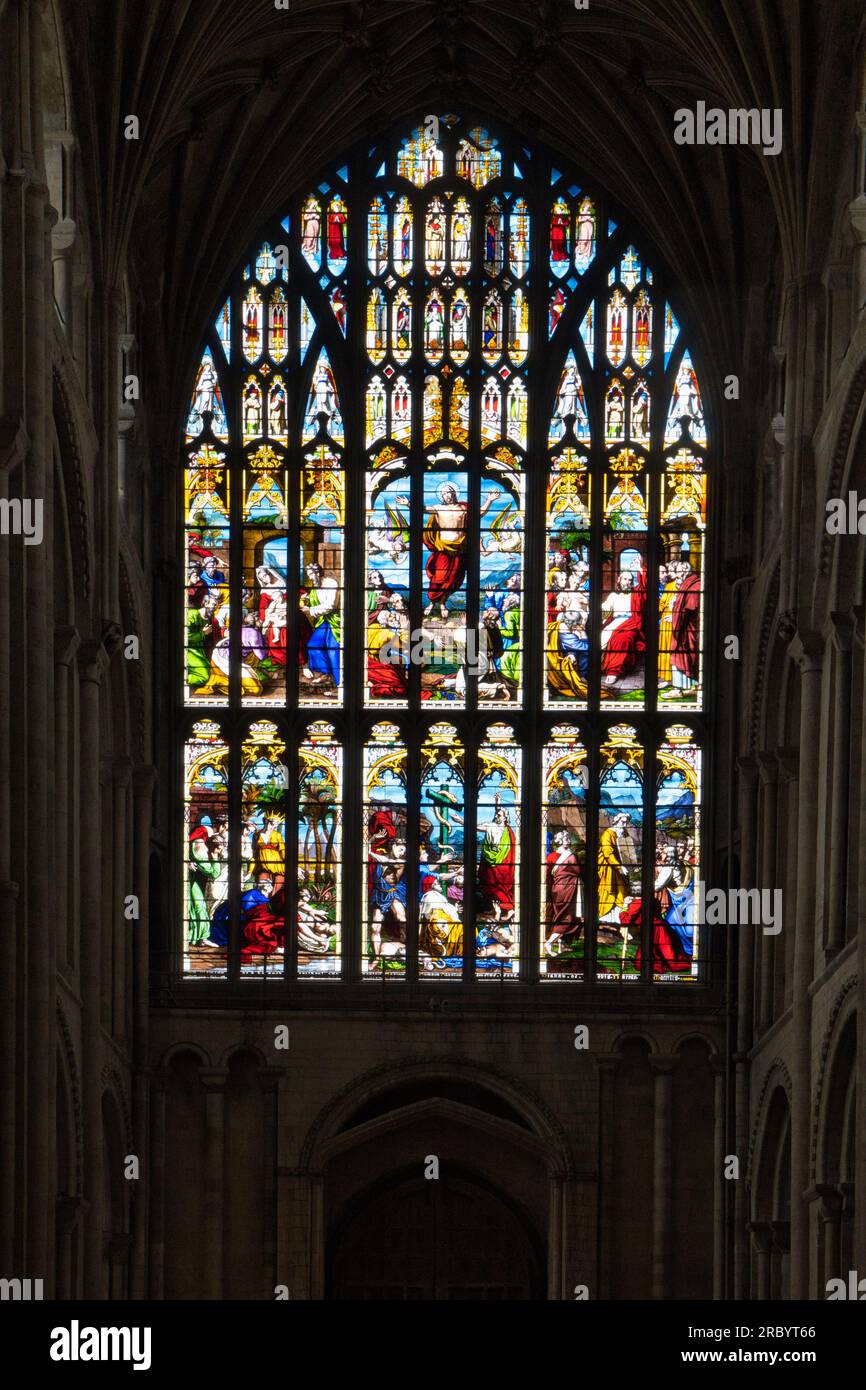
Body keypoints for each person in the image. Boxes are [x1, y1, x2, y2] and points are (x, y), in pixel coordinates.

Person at [301, 562, 341, 688]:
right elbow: (316, 600)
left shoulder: (330, 583)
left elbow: (330, 605)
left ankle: (340, 684)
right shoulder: (316, 586)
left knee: (334, 652)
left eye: (311, 575)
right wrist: (307, 599)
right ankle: (326, 674)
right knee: (313, 645)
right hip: (323, 621)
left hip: (335, 621)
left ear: (317, 572)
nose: (311, 578)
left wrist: (310, 610)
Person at [544, 830, 583, 955]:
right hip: (565, 889)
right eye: (566, 839)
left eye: (569, 838)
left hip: (560, 888)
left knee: (561, 915)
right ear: (560, 841)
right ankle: (549, 943)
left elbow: (548, 874)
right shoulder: (566, 855)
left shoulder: (558, 855)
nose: (569, 841)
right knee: (566, 917)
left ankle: (561, 946)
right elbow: (577, 870)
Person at [477, 797, 515, 922]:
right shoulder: (492, 826)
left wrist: (497, 804)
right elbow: (478, 827)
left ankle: (509, 909)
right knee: (489, 885)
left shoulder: (507, 830)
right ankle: (496, 908)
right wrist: (460, 821)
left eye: (499, 815)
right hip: (491, 862)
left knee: (498, 887)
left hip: (503, 864)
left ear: (505, 818)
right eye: (496, 815)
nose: (497, 816)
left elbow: (512, 850)